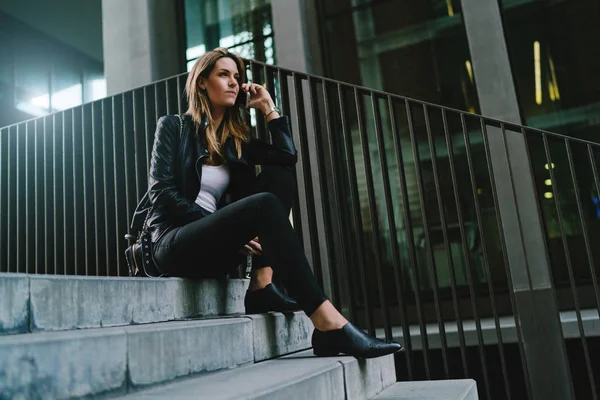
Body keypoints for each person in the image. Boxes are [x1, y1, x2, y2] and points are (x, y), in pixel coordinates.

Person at [145, 47, 402, 358]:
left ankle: (261, 285)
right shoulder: (174, 126)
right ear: (202, 82)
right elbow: (161, 196)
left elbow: (286, 157)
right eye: (223, 75)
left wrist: (268, 107)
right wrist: (224, 228)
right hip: (172, 244)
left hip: (212, 249)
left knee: (279, 177)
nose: (233, 83)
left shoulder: (234, 142)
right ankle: (327, 322)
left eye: (237, 77)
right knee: (263, 203)